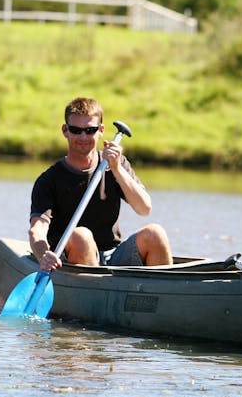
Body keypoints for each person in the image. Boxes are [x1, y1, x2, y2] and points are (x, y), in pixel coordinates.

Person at [28, 97, 172, 272]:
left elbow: (144, 208)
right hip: (69, 259)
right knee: (82, 235)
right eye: (76, 130)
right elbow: (37, 230)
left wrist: (117, 169)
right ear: (65, 131)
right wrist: (44, 256)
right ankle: (91, 294)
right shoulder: (48, 180)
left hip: (114, 255)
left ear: (101, 130)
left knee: (155, 233)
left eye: (90, 130)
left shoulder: (116, 164)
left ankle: (163, 294)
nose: (83, 137)